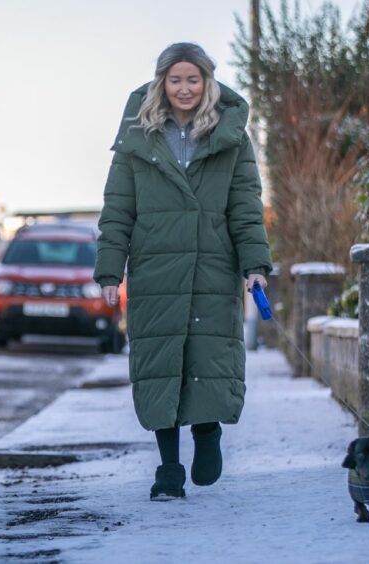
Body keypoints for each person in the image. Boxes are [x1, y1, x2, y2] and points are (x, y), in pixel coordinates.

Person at [93, 42, 273, 500]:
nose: (185, 88)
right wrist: (110, 272)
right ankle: (168, 469)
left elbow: (246, 209)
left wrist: (255, 265)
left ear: (207, 82)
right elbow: (118, 209)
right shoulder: (138, 137)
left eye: (193, 79)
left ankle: (207, 432)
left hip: (213, 266)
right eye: (176, 80)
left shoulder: (231, 137)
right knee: (160, 364)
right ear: (162, 83)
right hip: (155, 269)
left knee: (206, 358)